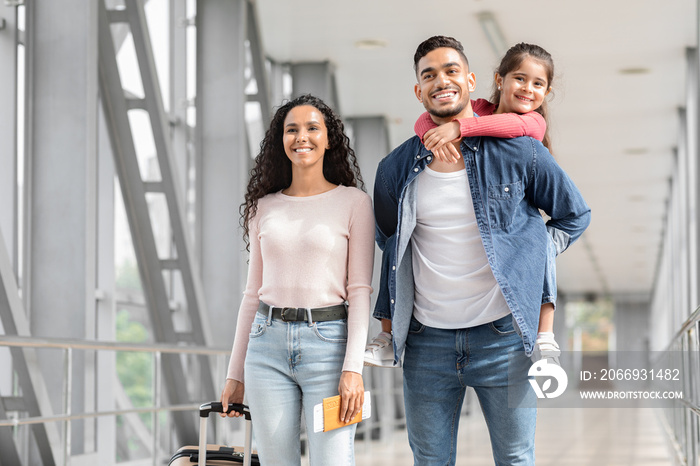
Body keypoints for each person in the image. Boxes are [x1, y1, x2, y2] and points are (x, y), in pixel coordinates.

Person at [372, 36, 591, 465]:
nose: (441, 80)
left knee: (515, 458)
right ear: (419, 91)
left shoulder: (520, 151)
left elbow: (574, 215)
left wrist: (534, 251)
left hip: (504, 339)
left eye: (451, 70)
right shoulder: (395, 167)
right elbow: (387, 239)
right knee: (430, 460)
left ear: (471, 80)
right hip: (425, 343)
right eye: (428, 75)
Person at [364, 42, 561, 368]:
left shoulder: (530, 130)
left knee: (537, 239)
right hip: (428, 334)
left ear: (469, 79)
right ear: (499, 80)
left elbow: (572, 214)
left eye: (538, 84)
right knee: (395, 242)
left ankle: (546, 333)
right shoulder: (478, 107)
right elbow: (428, 119)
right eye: (519, 79)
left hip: (500, 330)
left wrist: (458, 128)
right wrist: (435, 133)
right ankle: (386, 333)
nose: (527, 90)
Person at [219, 94, 375, 466]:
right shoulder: (264, 206)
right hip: (265, 348)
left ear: (329, 139)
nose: (301, 137)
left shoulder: (354, 203)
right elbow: (251, 295)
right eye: (292, 129)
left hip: (330, 347)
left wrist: (353, 368)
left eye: (311, 128)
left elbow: (360, 292)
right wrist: (234, 373)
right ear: (281, 140)